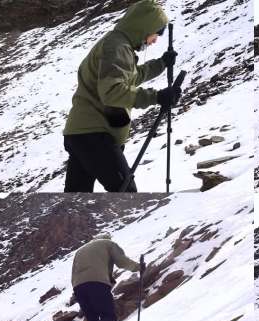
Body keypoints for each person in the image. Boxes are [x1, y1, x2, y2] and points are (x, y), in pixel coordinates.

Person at [63, 0, 182, 192]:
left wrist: (160, 64)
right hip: (94, 135)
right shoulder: (117, 47)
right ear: (145, 26)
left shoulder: (118, 44)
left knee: (76, 200)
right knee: (126, 195)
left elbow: (129, 77)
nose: (156, 39)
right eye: (157, 33)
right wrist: (157, 97)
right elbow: (112, 92)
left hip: (81, 133)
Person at [71, 232, 146, 321]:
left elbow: (74, 273)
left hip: (79, 287)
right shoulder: (109, 244)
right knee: (109, 318)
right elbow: (121, 261)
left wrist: (78, 291)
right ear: (108, 238)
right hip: (97, 284)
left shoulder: (80, 251)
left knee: (92, 318)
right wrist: (138, 267)